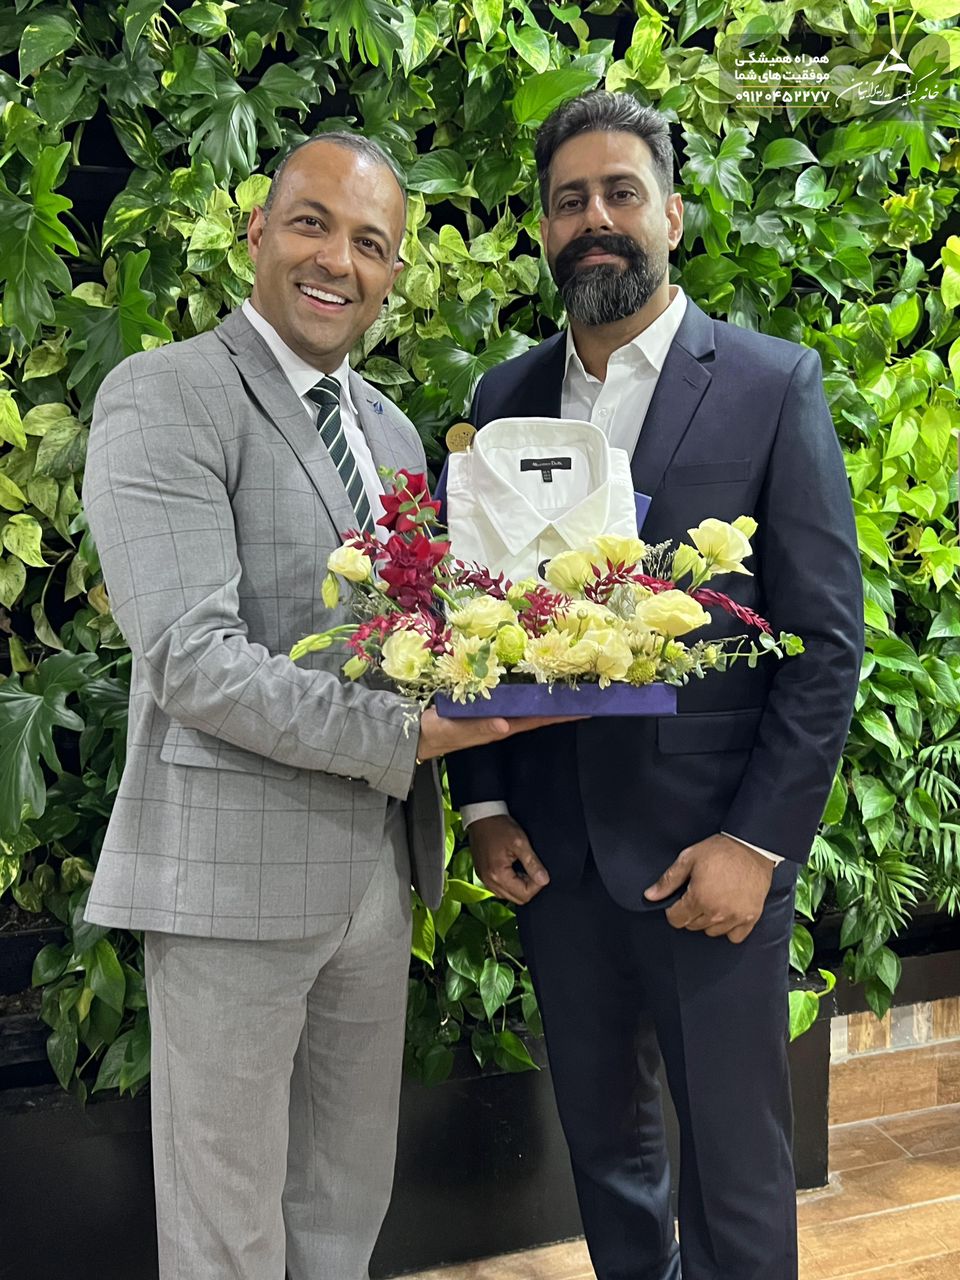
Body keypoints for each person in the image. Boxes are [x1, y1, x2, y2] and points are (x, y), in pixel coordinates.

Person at [82, 132, 556, 1280]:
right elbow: (192, 659)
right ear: (258, 231)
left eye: (370, 242)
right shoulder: (164, 394)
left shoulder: (392, 432)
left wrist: (545, 656)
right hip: (230, 879)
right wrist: (411, 733)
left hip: (376, 876)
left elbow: (422, 642)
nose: (338, 259)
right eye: (311, 223)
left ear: (393, 272)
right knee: (226, 1227)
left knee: (344, 1203)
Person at [445, 92, 864, 1280]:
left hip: (710, 860)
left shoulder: (771, 384)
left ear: (672, 215)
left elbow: (825, 642)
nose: (595, 218)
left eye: (621, 193)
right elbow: (474, 622)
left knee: (737, 1172)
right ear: (544, 228)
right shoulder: (501, 399)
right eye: (569, 200)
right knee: (608, 1160)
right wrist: (485, 804)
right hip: (556, 860)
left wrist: (758, 844)